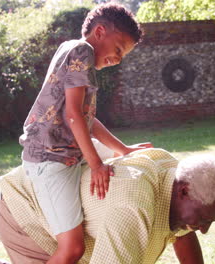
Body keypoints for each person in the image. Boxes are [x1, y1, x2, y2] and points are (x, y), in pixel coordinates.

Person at [0, 145, 215, 264]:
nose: (204, 229)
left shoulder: (173, 172)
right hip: (28, 213)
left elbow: (185, 235)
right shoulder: (134, 204)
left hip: (63, 218)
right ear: (183, 191)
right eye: (204, 217)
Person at [17, 3, 150, 263]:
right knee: (73, 249)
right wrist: (96, 164)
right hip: (49, 160)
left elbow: (85, 118)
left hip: (60, 154)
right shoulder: (83, 51)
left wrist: (123, 150)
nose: (118, 59)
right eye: (119, 49)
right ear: (100, 31)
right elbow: (73, 116)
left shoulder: (72, 49)